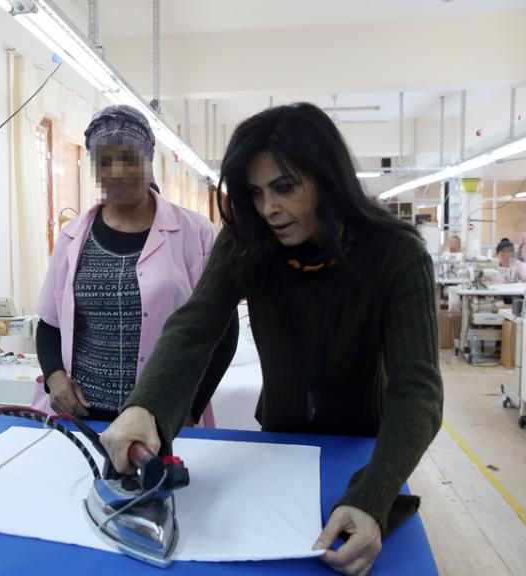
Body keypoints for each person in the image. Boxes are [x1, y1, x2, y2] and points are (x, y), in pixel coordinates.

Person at [101, 103, 443, 576]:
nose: (268, 209)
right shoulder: (249, 240)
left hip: (364, 446)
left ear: (328, 179)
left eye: (284, 188)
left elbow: (417, 391)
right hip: (279, 440)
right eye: (255, 193)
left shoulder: (397, 255)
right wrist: (146, 406)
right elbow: (196, 325)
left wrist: (373, 495)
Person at [34, 105, 238, 424]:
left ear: (148, 159)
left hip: (162, 418)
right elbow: (49, 323)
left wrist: (190, 408)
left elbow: (224, 329)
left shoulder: (196, 232)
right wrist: (54, 375)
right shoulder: (72, 237)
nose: (117, 171)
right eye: (104, 161)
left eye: (129, 158)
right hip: (82, 416)